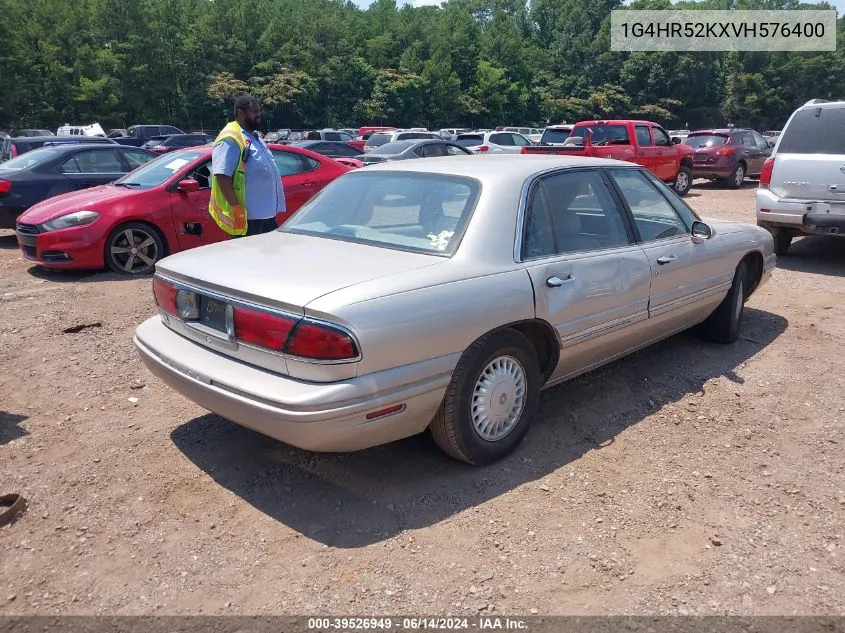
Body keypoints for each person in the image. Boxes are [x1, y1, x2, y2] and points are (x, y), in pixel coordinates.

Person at [209, 94, 285, 237]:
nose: (259, 115)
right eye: (254, 112)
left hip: (266, 215)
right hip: (248, 219)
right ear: (240, 113)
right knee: (250, 257)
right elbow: (222, 177)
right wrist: (236, 208)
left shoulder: (253, 136)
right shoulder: (230, 139)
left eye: (259, 112)